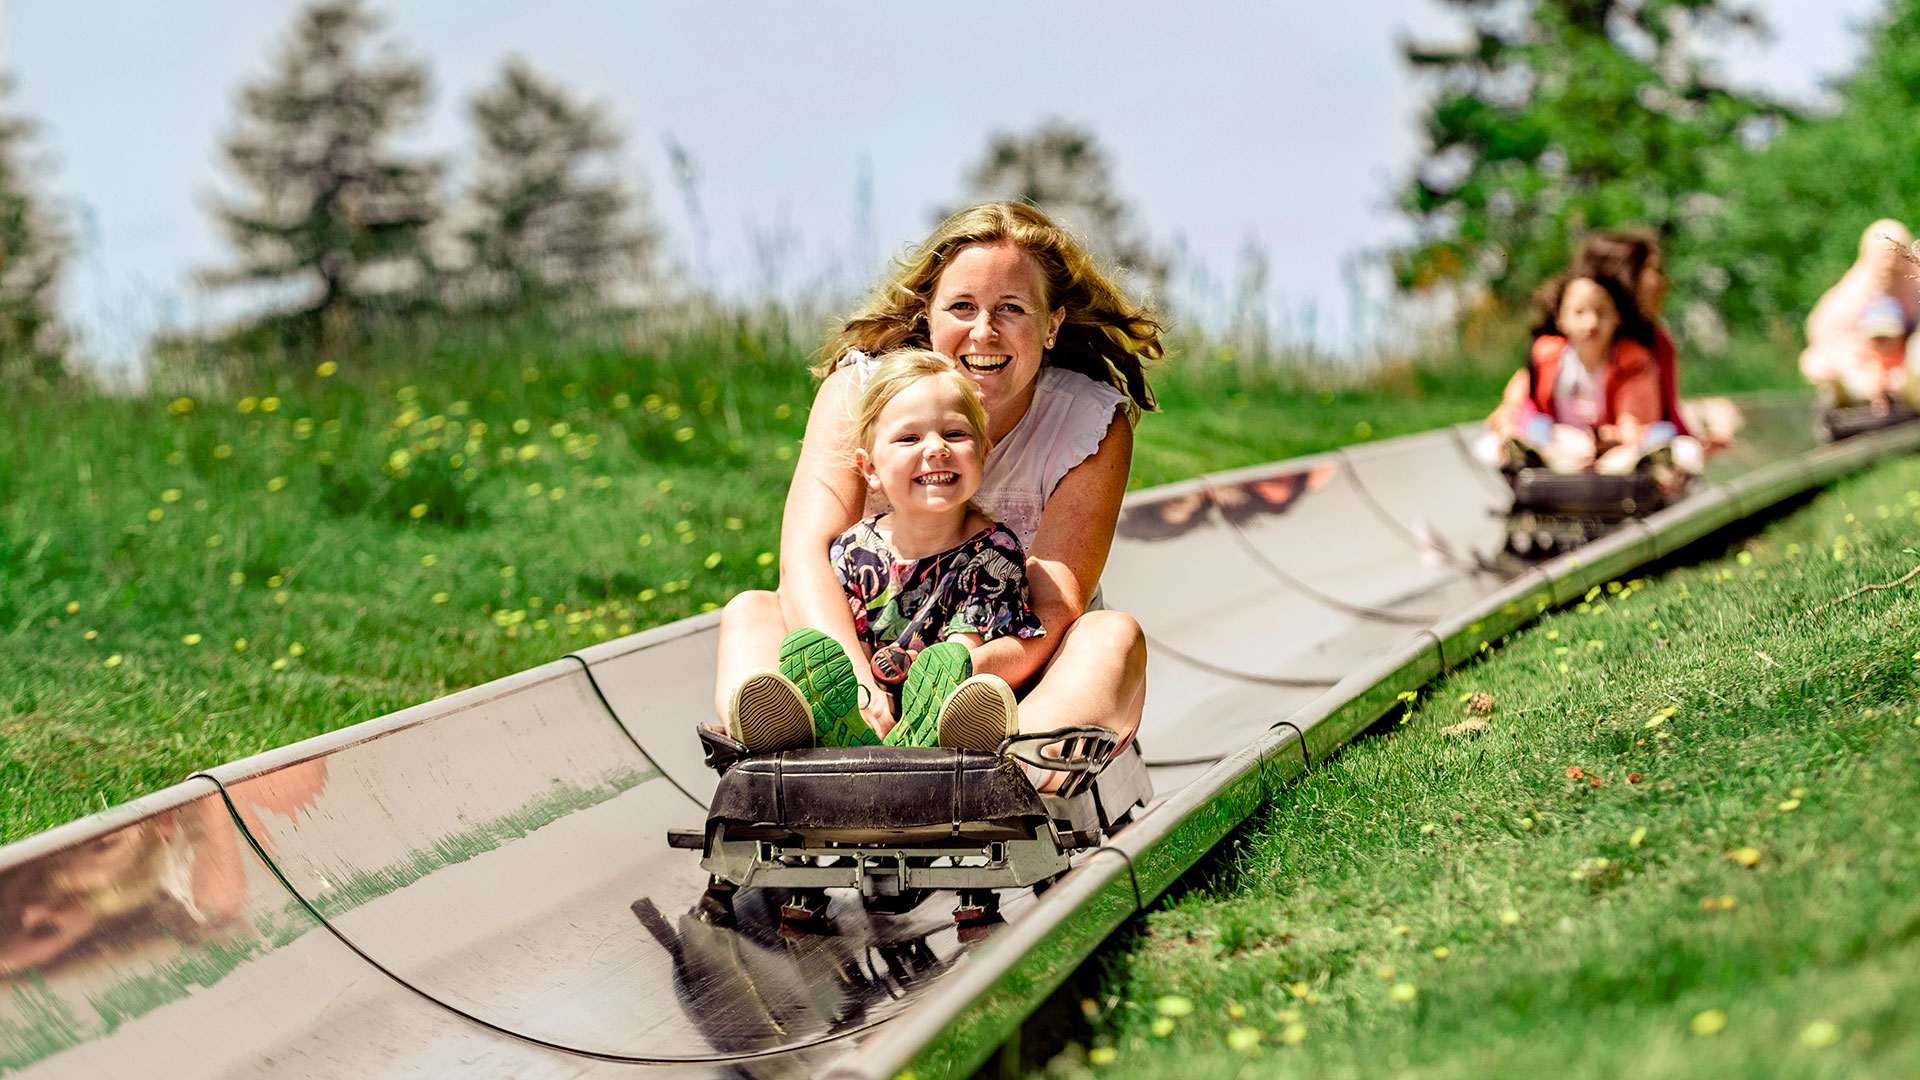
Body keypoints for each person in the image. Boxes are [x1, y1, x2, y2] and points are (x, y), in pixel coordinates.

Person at [712, 202, 1158, 778]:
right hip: (856, 659)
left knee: (1114, 636)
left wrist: (961, 673)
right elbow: (806, 553)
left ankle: (999, 766)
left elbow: (1055, 605)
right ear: (929, 315)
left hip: (1008, 673)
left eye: (1012, 309)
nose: (984, 331)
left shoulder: (1088, 423)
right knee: (749, 613)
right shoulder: (860, 394)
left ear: (1052, 325)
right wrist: (860, 682)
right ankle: (797, 743)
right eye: (963, 307)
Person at [723, 348, 1044, 753]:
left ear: (983, 452)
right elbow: (841, 640)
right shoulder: (855, 549)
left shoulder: (992, 552)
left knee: (954, 672)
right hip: (865, 702)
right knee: (753, 614)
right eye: (910, 438)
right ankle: (783, 735)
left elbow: (966, 648)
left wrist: (914, 705)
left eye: (955, 434)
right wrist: (865, 696)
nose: (935, 449)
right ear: (870, 469)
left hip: (940, 710)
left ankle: (921, 740)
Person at [1484, 274, 1673, 479]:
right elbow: (1513, 406)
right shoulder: (1544, 358)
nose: (1591, 323)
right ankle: (1544, 461)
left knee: (1665, 434)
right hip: (1558, 443)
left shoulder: (1632, 363)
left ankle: (1631, 469)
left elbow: (1633, 426)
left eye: (1601, 312)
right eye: (1579, 312)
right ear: (1560, 319)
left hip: (1614, 451)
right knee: (1530, 427)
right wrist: (1506, 430)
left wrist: (1612, 437)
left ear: (1617, 317)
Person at [1572, 228, 1731, 458]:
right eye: (1652, 270)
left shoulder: (1658, 342)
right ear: (1623, 273)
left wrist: (1697, 444)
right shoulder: (1563, 346)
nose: (1661, 281)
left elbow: (1669, 416)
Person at [1801, 219, 1920, 413]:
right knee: (1824, 367)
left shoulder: (1915, 280)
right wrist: (1867, 365)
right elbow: (1824, 332)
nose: (1889, 263)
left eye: (1895, 255)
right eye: (1882, 256)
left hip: (1907, 365)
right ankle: (1848, 396)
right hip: (1864, 363)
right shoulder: (1853, 293)